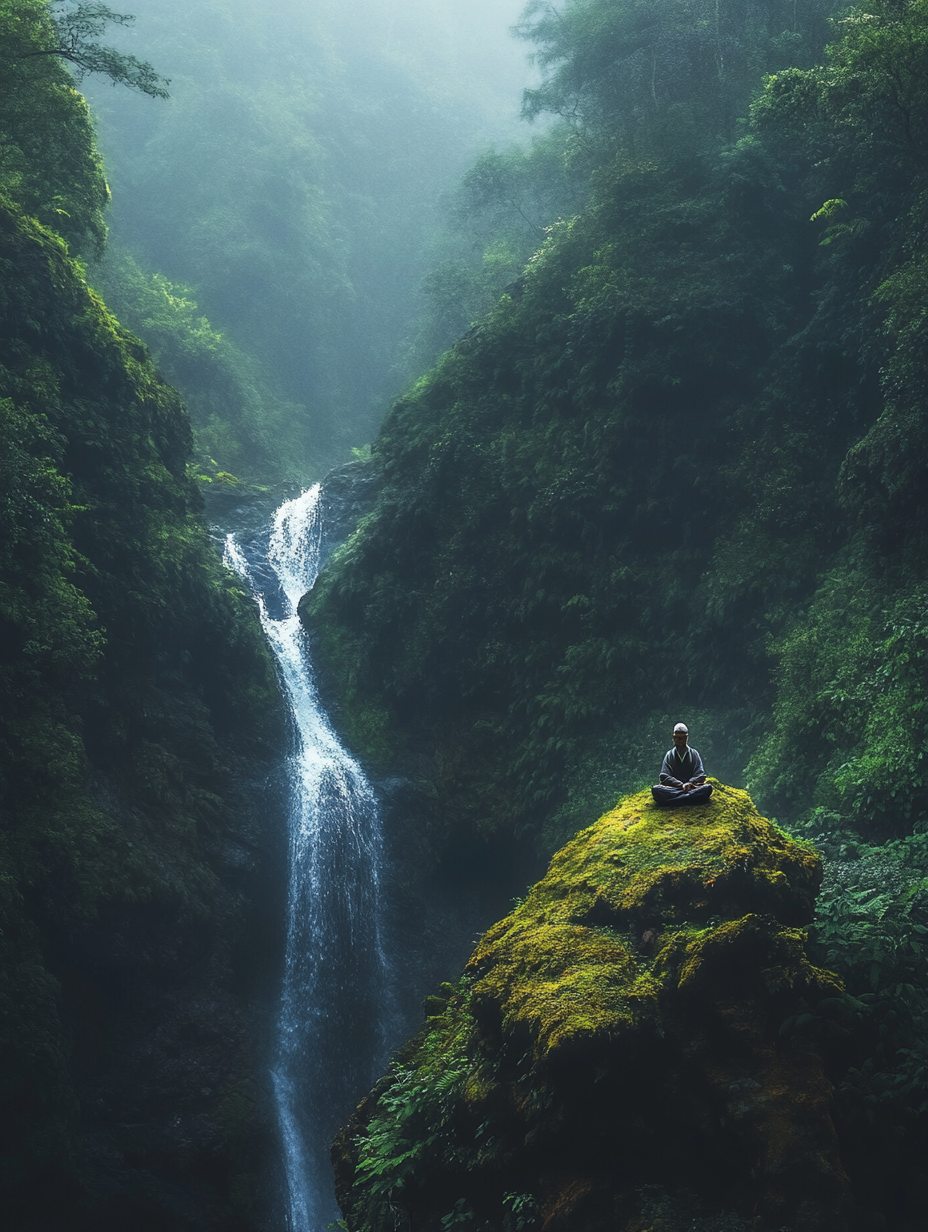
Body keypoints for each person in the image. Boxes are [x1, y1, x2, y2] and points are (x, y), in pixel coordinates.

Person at [651, 723, 713, 806]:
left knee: (707, 788)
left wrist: (689, 783)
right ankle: (689, 799)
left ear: (687, 738)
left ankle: (676, 800)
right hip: (675, 788)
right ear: (673, 738)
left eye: (683, 738)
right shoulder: (669, 755)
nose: (680, 740)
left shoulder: (694, 754)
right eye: (677, 738)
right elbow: (664, 776)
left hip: (691, 788)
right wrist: (680, 784)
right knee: (656, 790)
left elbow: (700, 774)